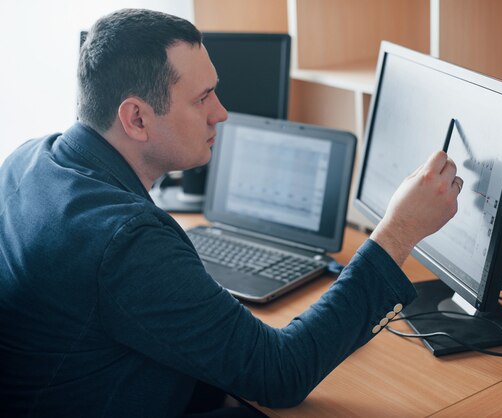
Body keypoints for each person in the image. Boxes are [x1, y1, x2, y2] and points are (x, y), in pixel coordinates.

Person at [0, 8, 463, 418]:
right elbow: (281, 375)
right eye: (202, 98)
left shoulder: (29, 158)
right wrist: (399, 231)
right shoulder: (125, 239)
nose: (221, 113)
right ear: (136, 118)